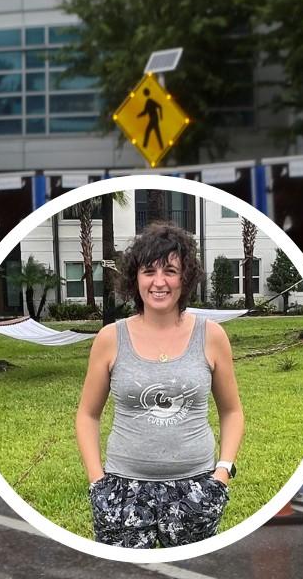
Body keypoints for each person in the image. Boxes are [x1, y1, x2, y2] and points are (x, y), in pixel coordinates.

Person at [75, 221, 244, 548]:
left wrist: (222, 473)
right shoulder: (111, 338)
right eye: (149, 271)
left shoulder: (211, 336)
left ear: (186, 277)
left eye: (170, 270)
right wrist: (98, 482)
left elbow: (232, 411)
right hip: (123, 489)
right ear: (134, 278)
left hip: (196, 488)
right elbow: (87, 415)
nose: (159, 282)